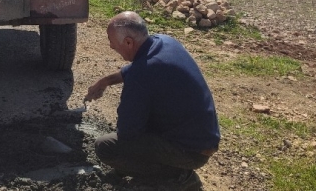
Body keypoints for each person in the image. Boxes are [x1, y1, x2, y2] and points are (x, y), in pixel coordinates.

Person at [85, 11, 220, 190]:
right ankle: (169, 168)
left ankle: (177, 177)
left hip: (191, 151)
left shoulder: (141, 76)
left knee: (106, 147)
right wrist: (106, 81)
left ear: (128, 42)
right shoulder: (164, 42)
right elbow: (140, 67)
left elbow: (128, 133)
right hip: (204, 137)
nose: (111, 46)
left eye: (111, 41)